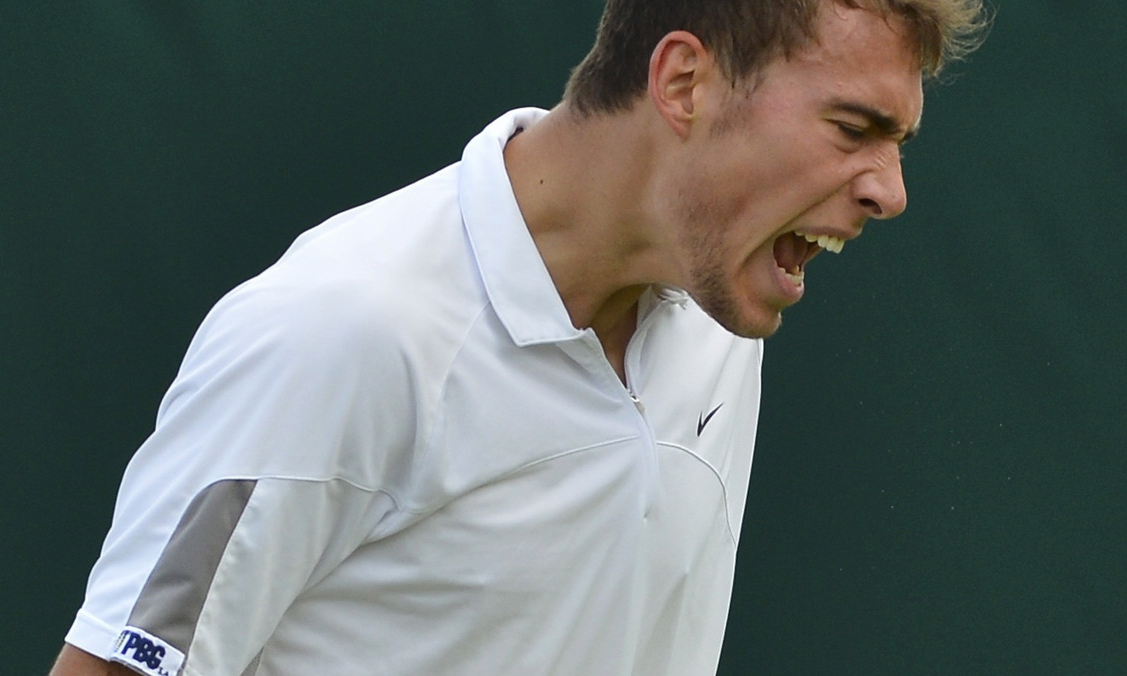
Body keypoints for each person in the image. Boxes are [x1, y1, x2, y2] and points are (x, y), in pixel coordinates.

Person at [51, 0, 986, 674]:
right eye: (853, 127)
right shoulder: (338, 331)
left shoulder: (720, 316)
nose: (888, 190)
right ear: (684, 82)